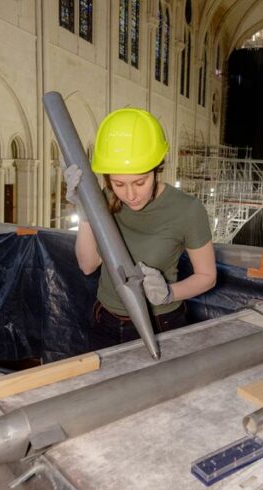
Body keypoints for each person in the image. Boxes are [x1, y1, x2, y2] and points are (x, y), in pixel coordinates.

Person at [65, 108, 216, 350]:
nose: (131, 195)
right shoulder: (104, 199)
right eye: (118, 184)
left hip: (161, 323)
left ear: (157, 169)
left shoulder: (187, 210)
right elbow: (88, 265)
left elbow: (207, 277)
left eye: (140, 182)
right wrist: (86, 212)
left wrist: (169, 292)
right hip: (106, 321)